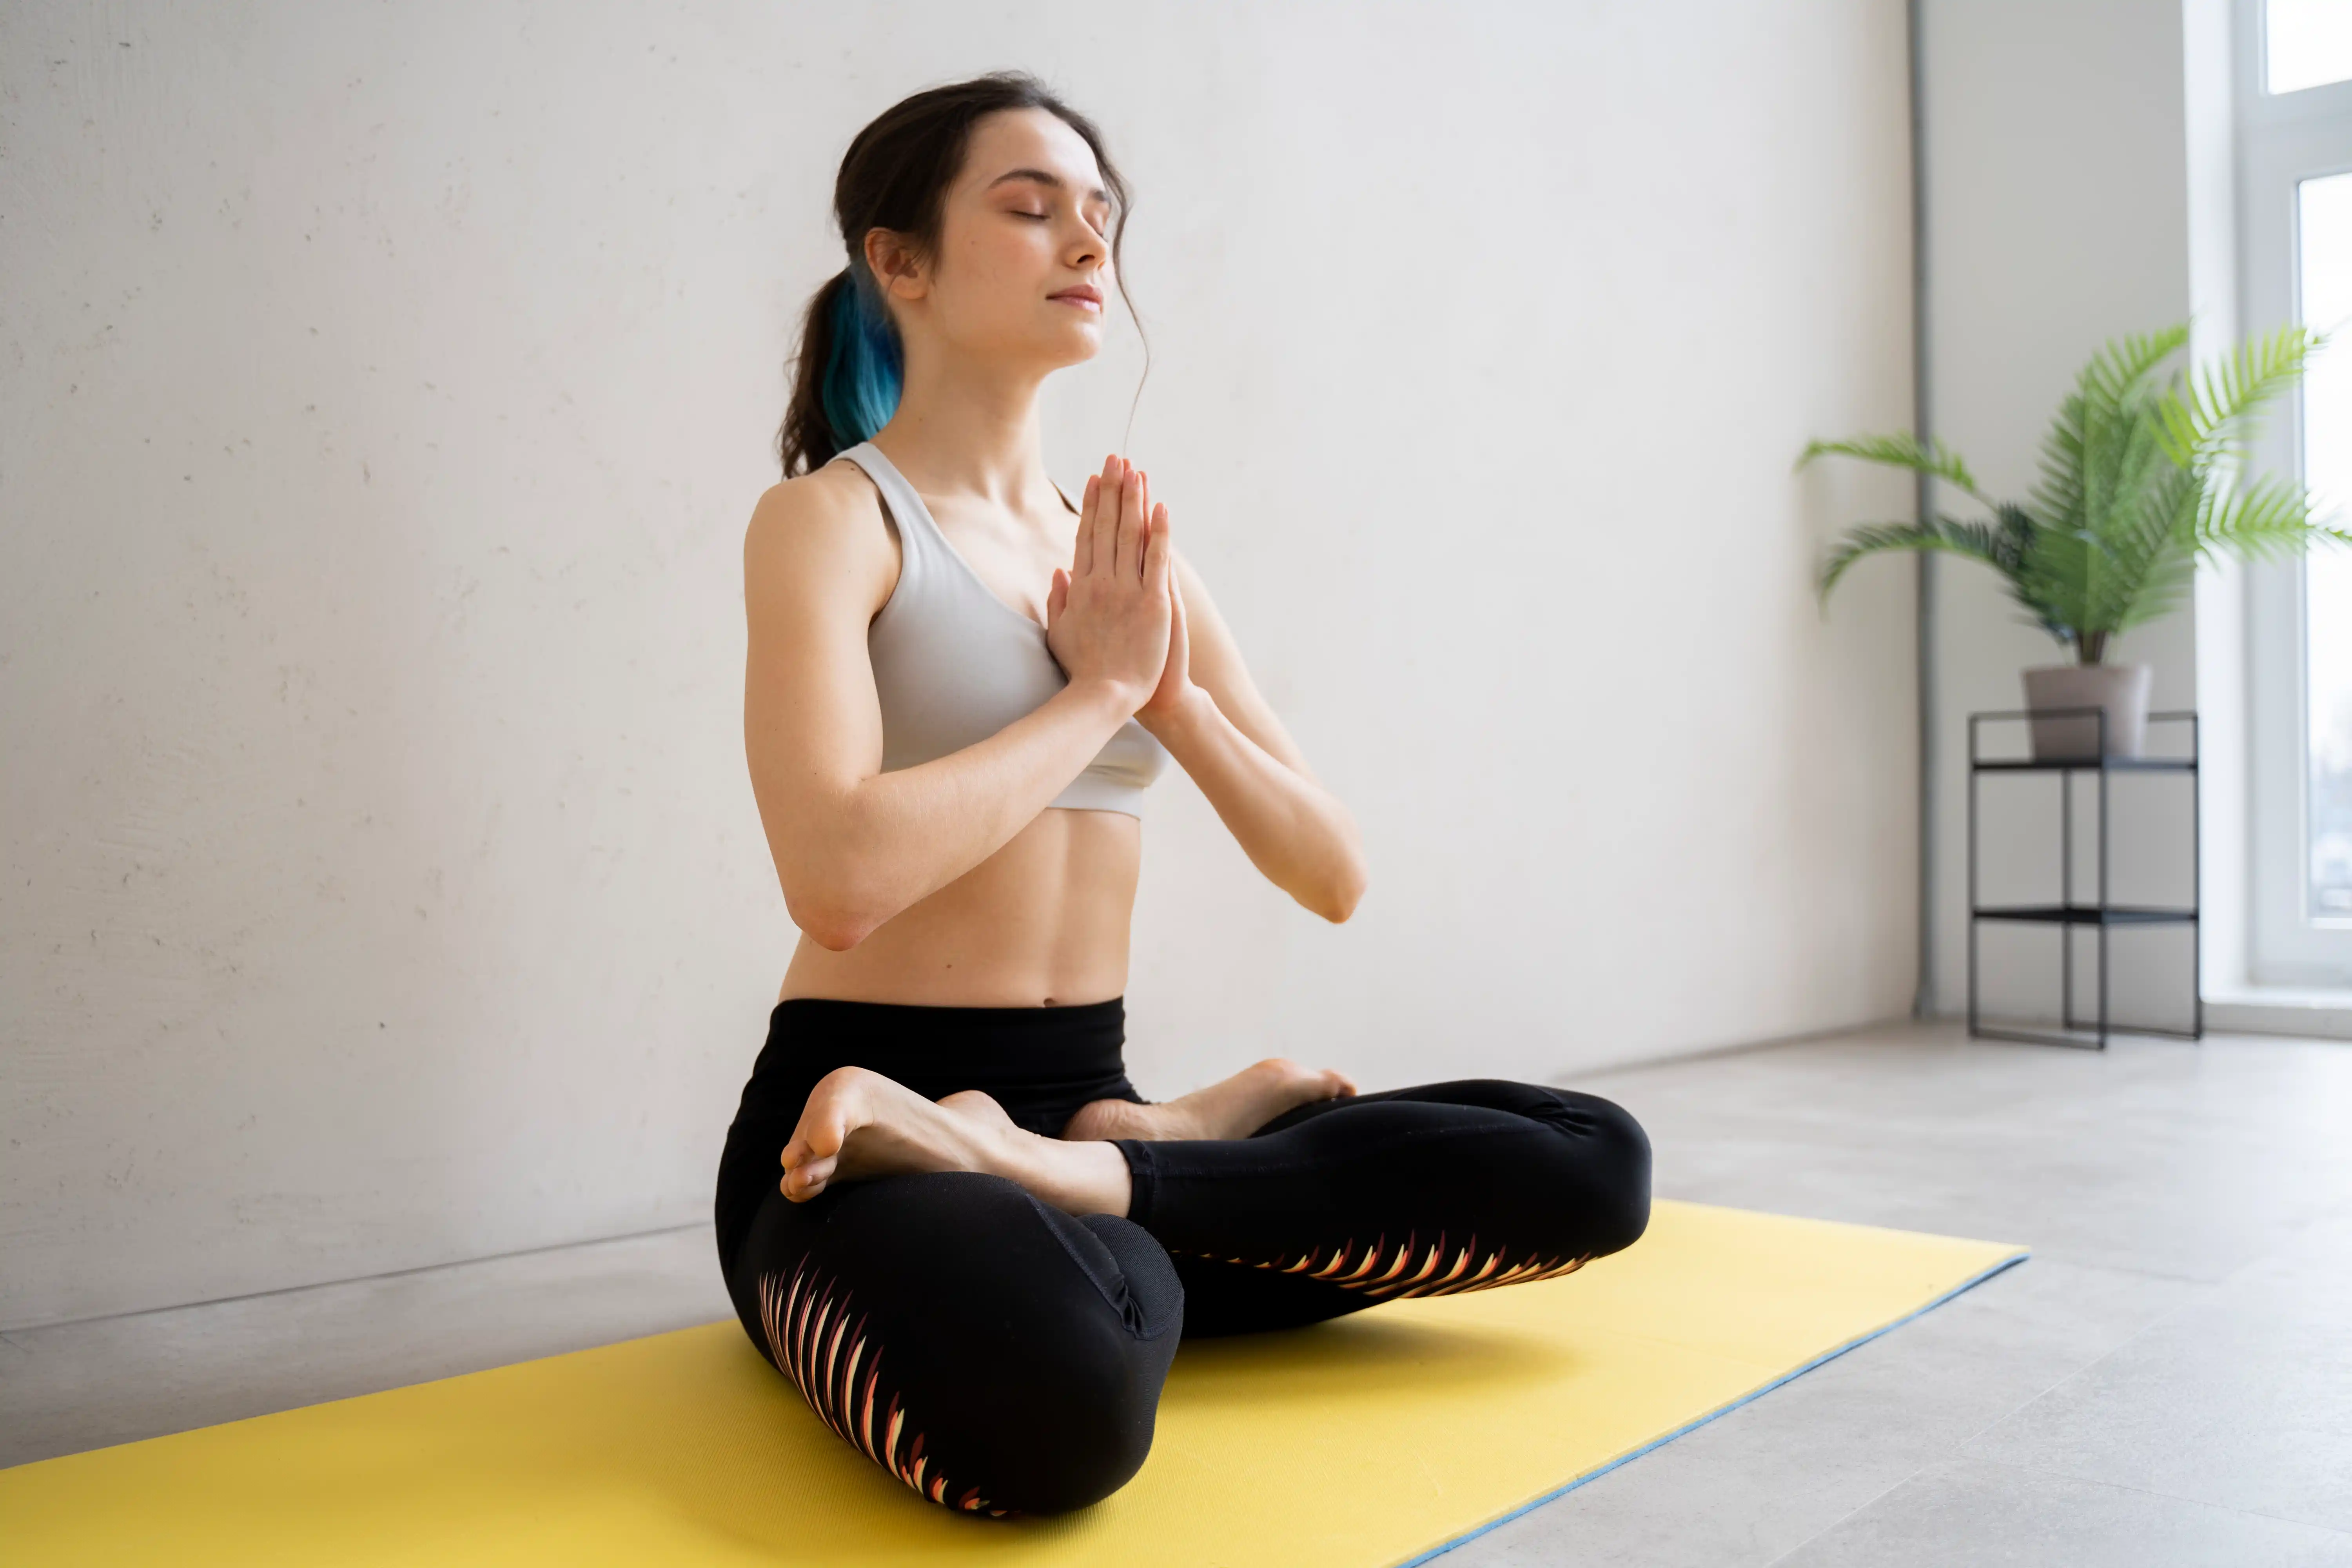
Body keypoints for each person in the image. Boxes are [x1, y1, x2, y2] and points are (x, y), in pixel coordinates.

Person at [717, 70, 1651, 1518]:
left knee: (1599, 1166)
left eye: (1102, 216)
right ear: (895, 261)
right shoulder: (834, 526)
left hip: (1086, 1102)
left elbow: (1333, 872)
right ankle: (1116, 1182)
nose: (1090, 245)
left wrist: (1168, 694)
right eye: (1032, 212)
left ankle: (1102, 1172)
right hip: (849, 1134)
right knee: (1061, 1416)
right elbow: (837, 880)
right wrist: (1092, 695)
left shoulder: (1133, 561)